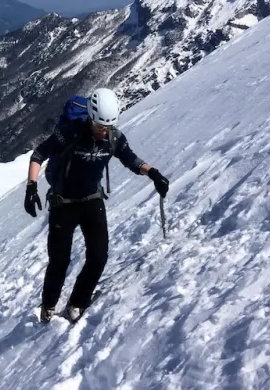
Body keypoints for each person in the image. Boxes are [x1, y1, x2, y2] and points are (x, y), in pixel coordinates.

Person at [24, 88, 169, 323]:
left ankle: (77, 302)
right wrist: (31, 187)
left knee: (99, 256)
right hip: (64, 204)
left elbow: (130, 159)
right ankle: (48, 307)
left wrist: (153, 173)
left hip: (92, 200)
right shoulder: (70, 133)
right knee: (59, 261)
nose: (104, 131)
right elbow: (39, 154)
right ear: (90, 118)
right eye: (100, 126)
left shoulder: (113, 137)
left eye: (108, 127)